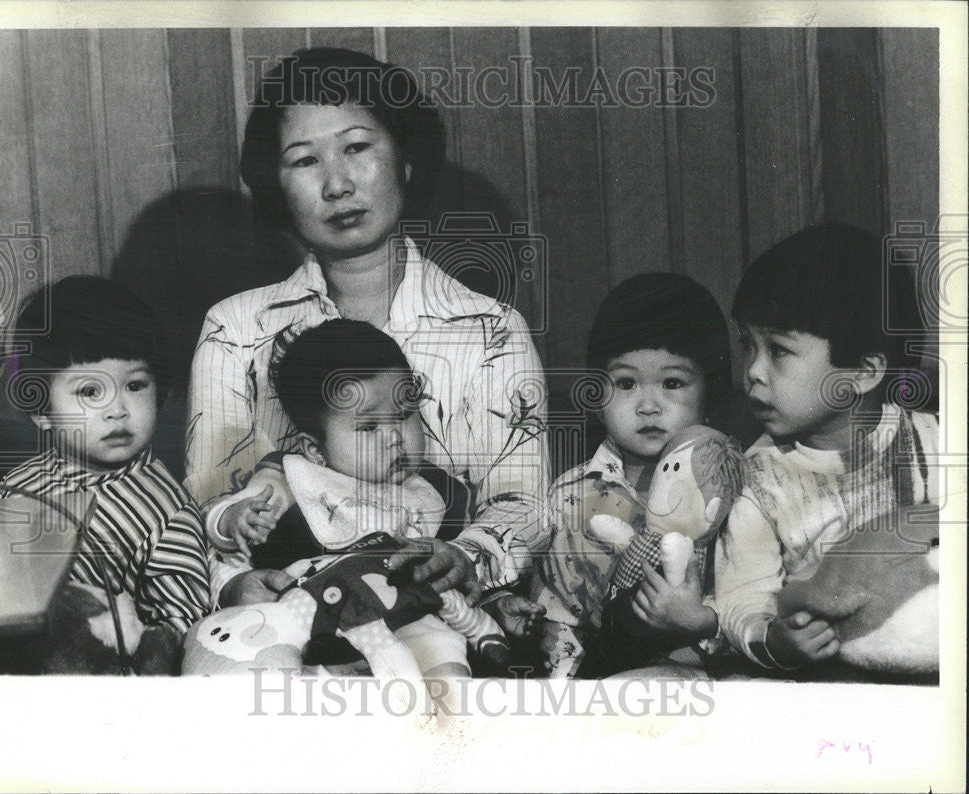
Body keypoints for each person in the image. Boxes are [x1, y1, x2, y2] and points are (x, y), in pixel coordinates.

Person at [185, 47, 549, 616]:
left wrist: (464, 556)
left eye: (357, 148)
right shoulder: (235, 330)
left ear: (404, 160)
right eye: (304, 161)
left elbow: (522, 501)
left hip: (452, 617)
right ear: (277, 186)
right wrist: (231, 587)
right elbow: (206, 507)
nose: (337, 184)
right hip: (288, 617)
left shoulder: (491, 331)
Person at [205, 319, 515, 676]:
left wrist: (497, 602)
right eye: (369, 427)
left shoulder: (437, 491)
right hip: (315, 632)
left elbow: (458, 580)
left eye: (404, 415)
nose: (395, 438)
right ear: (316, 450)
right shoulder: (293, 479)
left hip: (411, 626)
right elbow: (225, 536)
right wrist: (232, 519)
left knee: (446, 664)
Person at [715, 223, 938, 675]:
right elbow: (741, 596)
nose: (753, 371)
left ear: (863, 372)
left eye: (778, 350)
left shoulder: (933, 442)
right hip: (827, 683)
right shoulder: (757, 480)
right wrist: (772, 639)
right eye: (747, 345)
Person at [526, 273, 734, 675]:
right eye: (626, 383)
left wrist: (703, 623)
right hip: (590, 676)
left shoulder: (728, 494)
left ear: (712, 390)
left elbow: (746, 598)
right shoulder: (570, 493)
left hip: (700, 675)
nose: (648, 405)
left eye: (672, 382)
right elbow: (546, 593)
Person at [0, 276, 211, 645]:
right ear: (41, 411)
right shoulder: (15, 486)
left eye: (135, 385)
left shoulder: (166, 512)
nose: (117, 410)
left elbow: (182, 624)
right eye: (90, 391)